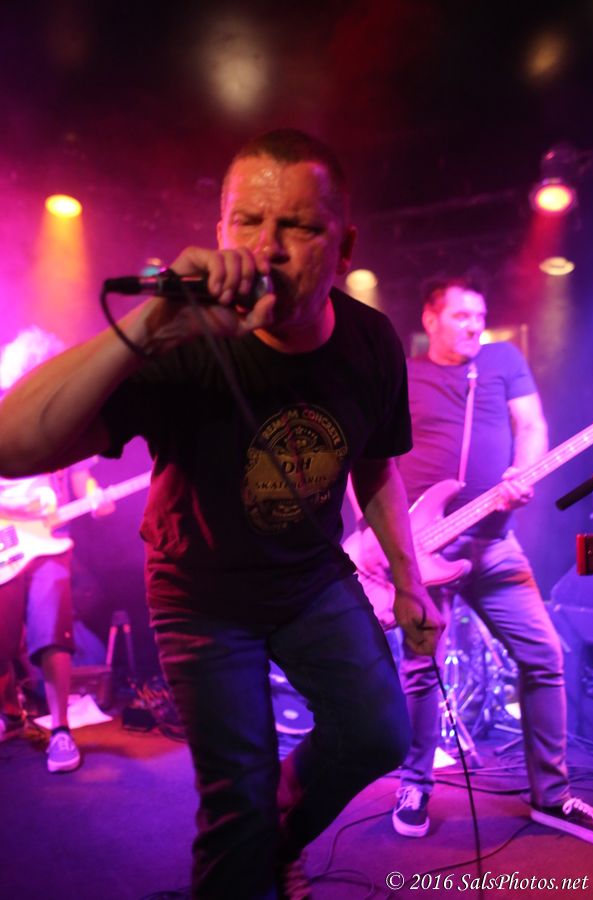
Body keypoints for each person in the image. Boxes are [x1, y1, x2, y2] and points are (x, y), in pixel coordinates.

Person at [0, 130, 443, 899]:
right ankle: (252, 849)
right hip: (199, 594)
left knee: (380, 731)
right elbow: (10, 446)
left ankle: (277, 836)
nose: (267, 248)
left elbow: (376, 464)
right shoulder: (184, 344)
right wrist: (148, 325)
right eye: (247, 222)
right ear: (219, 232)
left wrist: (408, 581)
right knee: (236, 806)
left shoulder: (370, 341)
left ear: (344, 246)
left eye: (298, 226)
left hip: (309, 579)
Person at [387, 278, 593, 845]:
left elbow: (531, 426)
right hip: (424, 545)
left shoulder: (502, 360)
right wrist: (381, 535)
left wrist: (521, 472)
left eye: (479, 316)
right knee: (421, 668)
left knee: (545, 655)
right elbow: (373, 457)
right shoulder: (403, 373)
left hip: (494, 541)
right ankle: (415, 784)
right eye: (460, 316)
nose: (473, 325)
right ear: (430, 320)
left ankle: (551, 795)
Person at [0, 327, 113, 773]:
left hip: (50, 541)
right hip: (7, 542)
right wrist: (14, 505)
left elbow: (81, 473)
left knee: (53, 631)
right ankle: (10, 711)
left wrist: (95, 494)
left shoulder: (64, 418)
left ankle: (61, 729)